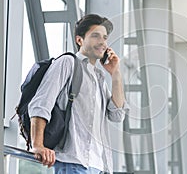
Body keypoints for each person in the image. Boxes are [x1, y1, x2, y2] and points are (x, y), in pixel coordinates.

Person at [28, 14, 129, 174]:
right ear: (79, 40)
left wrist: (115, 74)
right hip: (73, 162)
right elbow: (41, 103)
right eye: (95, 36)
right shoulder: (68, 63)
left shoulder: (99, 77)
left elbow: (117, 116)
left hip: (98, 166)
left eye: (104, 37)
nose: (102, 42)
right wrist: (38, 145)